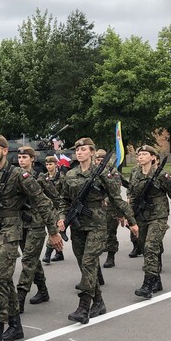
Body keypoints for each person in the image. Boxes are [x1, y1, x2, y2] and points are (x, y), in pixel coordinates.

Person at [0, 135, 62, 341]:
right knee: (2, 281)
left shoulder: (18, 175)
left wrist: (53, 231)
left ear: (5, 151)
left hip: (11, 231)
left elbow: (42, 202)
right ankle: (15, 325)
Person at [58, 138, 138, 324]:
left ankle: (83, 307)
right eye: (77, 149)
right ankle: (99, 301)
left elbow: (116, 198)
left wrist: (131, 221)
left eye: (83, 149)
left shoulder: (103, 173)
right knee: (84, 264)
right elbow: (64, 199)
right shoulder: (70, 174)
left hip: (97, 223)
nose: (79, 152)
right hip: (77, 224)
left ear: (92, 152)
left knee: (88, 262)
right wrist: (61, 217)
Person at [127, 145, 171, 299]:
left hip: (158, 216)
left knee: (151, 246)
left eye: (144, 154)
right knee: (144, 247)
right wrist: (129, 216)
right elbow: (132, 195)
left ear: (153, 157)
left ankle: (147, 284)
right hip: (141, 216)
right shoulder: (134, 173)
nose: (140, 156)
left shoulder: (161, 174)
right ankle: (157, 281)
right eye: (139, 154)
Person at [14, 146, 50, 309]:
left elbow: (55, 198)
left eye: (25, 157)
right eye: (20, 157)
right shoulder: (14, 176)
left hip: (36, 224)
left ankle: (19, 297)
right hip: (20, 223)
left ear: (32, 159)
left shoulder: (40, 177)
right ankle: (43, 290)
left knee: (28, 259)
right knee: (32, 259)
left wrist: (55, 222)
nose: (21, 160)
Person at [39, 155, 64, 268]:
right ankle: (59, 253)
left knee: (53, 230)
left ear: (56, 165)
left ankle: (47, 254)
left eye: (51, 164)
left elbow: (65, 193)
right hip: (47, 207)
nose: (48, 166)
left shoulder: (61, 178)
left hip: (58, 207)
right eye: (47, 164)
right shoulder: (43, 178)